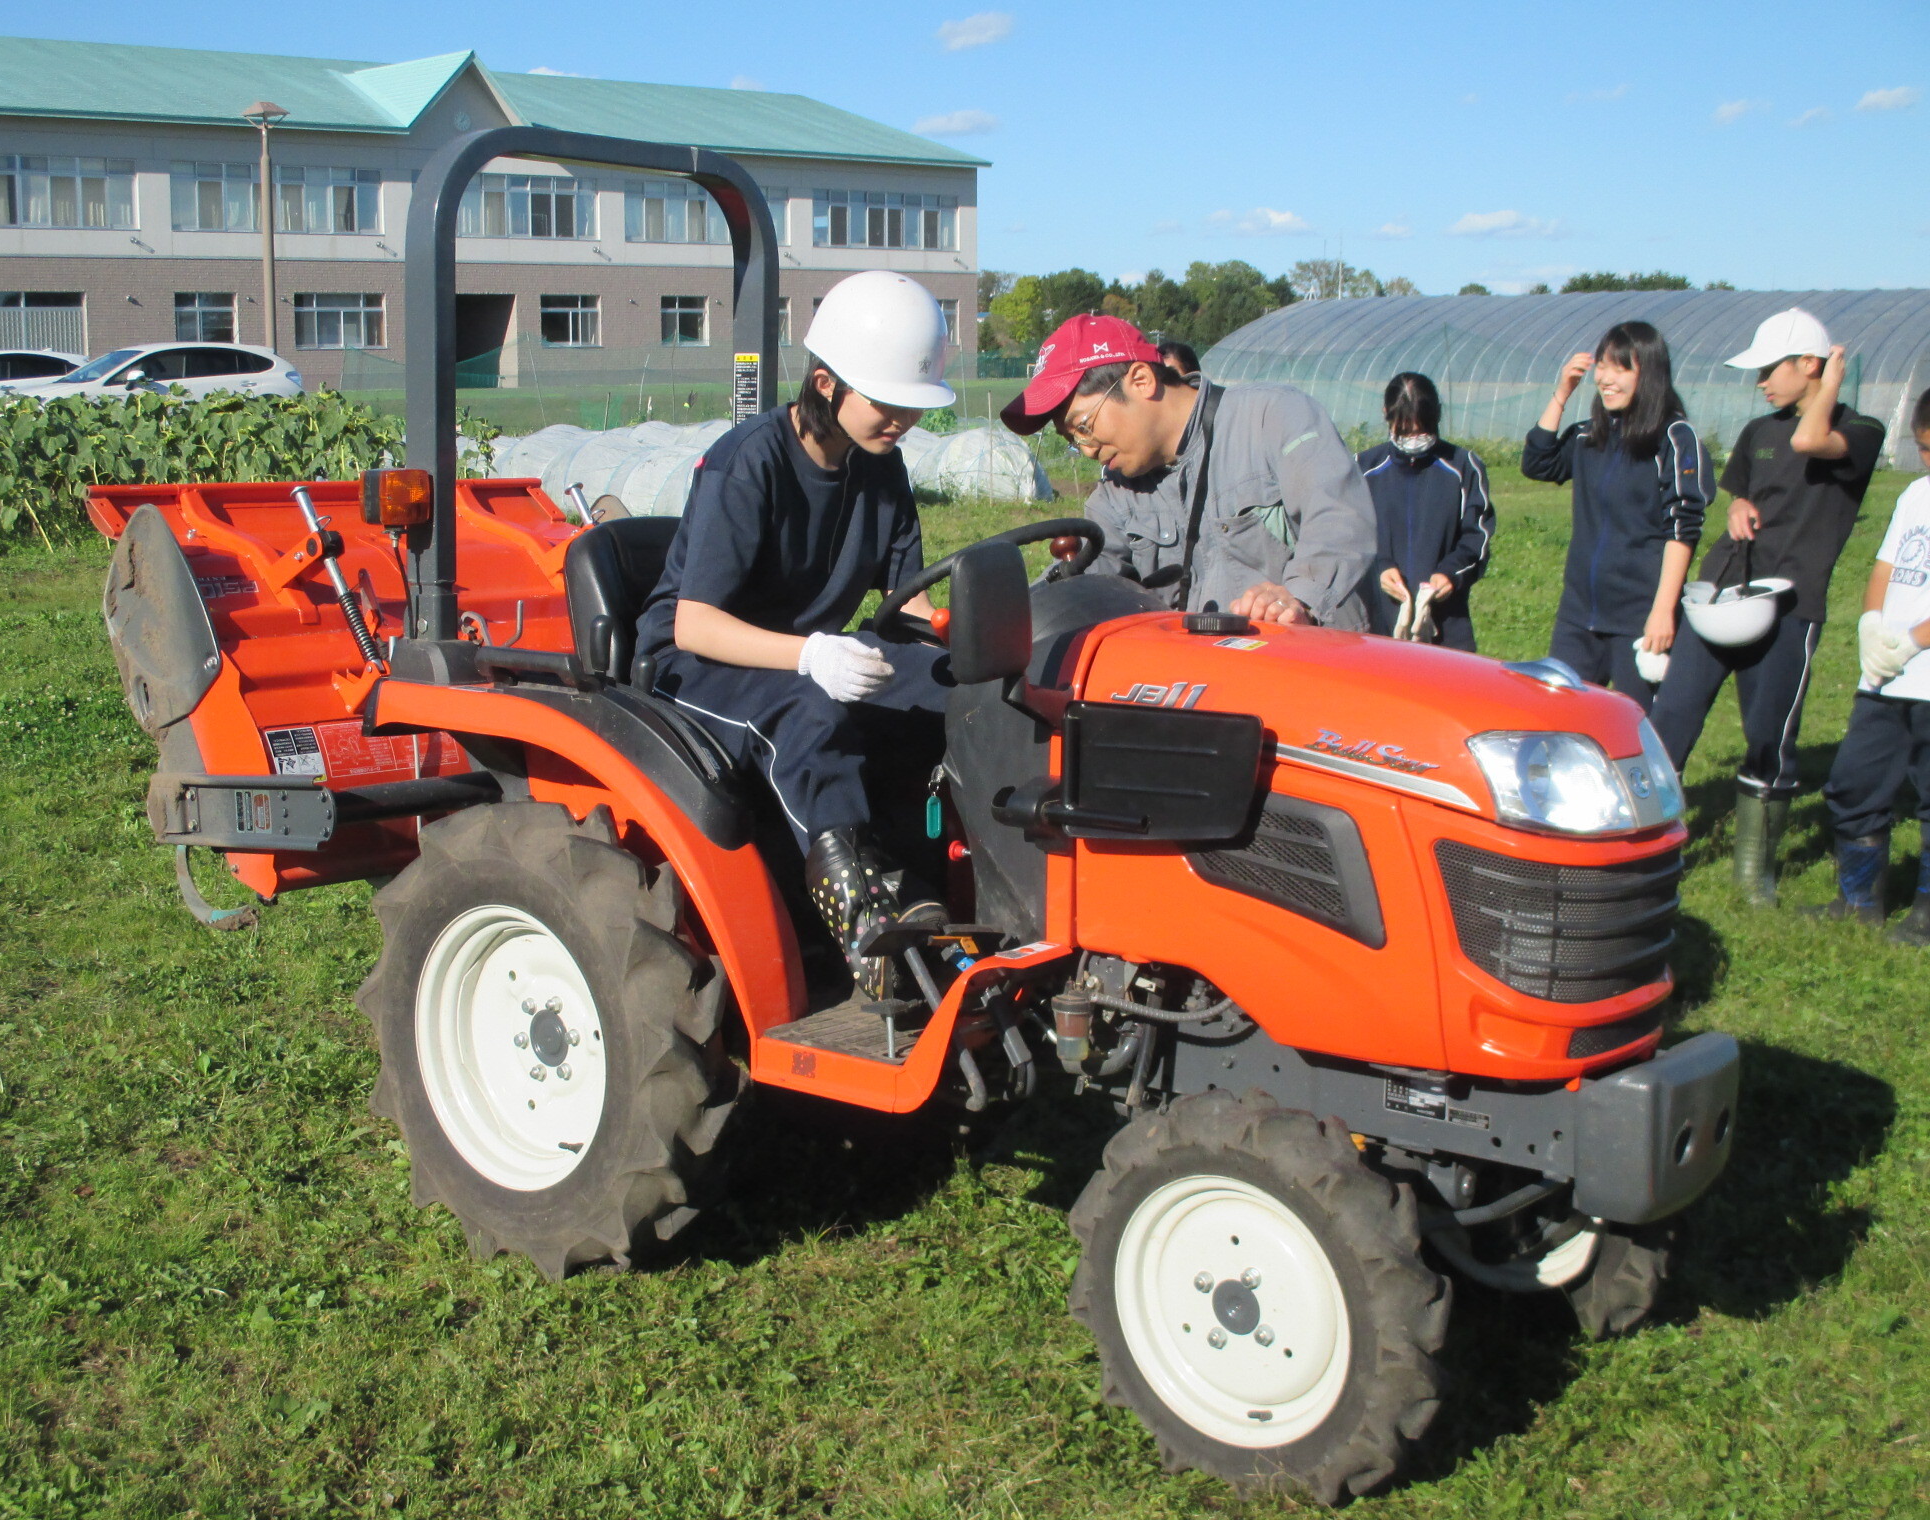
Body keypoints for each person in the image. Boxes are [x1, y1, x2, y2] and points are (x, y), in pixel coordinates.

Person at [634, 271, 954, 996]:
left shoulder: (882, 467)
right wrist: (812, 653)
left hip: (812, 649)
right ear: (825, 383)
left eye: (914, 406)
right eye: (887, 402)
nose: (901, 420)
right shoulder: (748, 462)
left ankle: (935, 880)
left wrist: (949, 649)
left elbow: (904, 607)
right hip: (698, 660)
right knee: (809, 715)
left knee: (947, 692)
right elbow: (694, 621)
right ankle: (867, 932)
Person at [1650, 308, 1886, 904]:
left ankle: (1753, 874)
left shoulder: (1861, 432)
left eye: (1770, 369)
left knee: (1766, 735)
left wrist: (1832, 379)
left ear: (1810, 364)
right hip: (1724, 594)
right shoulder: (1759, 433)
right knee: (1671, 718)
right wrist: (1735, 508)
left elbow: (1811, 438)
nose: (1760, 382)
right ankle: (1648, 848)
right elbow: (1740, 497)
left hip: (1789, 608)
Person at [999, 314, 1376, 627]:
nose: (1084, 449)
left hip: (1309, 675)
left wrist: (1297, 598)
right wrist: (990, 621)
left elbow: (1339, 520)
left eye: (1084, 426)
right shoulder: (1115, 496)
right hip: (1199, 695)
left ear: (1141, 381)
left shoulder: (1273, 418)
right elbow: (1075, 579)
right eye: (1072, 439)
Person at [1522, 321, 1712, 707]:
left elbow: (1683, 527)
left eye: (1621, 368)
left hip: (1639, 620)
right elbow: (1538, 463)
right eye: (1602, 367)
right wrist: (1562, 393)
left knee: (1635, 731)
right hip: (1579, 617)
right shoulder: (1590, 435)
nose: (1606, 379)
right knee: (1560, 723)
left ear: (1650, 372)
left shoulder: (1674, 437)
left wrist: (1662, 612)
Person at [1807, 387, 1930, 944]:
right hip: (1886, 675)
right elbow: (1885, 564)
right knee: (1855, 782)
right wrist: (1872, 624)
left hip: (1920, 669)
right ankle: (1858, 900)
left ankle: (1925, 917)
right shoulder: (1915, 495)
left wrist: (1913, 642)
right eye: (1925, 448)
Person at [1355, 371, 1494, 651]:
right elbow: (1349, 536)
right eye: (1406, 432)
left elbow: (1476, 539)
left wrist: (1451, 574)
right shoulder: (1363, 468)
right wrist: (1378, 567)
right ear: (1387, 416)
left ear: (1437, 417)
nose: (1415, 440)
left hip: (1446, 627)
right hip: (1377, 625)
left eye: (1423, 431)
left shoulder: (1464, 467)